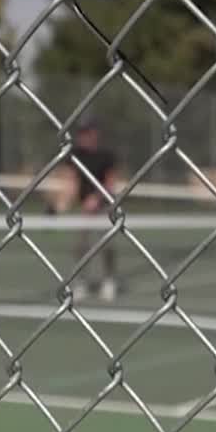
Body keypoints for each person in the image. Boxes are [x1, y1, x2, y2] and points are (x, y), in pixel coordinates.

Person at [69, 119, 121, 302]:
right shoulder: (76, 155)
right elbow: (72, 179)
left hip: (103, 206)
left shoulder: (106, 156)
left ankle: (109, 280)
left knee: (106, 245)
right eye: (81, 134)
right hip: (84, 207)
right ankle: (80, 282)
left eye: (87, 133)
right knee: (80, 246)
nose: (83, 137)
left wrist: (96, 198)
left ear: (95, 134)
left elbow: (110, 181)